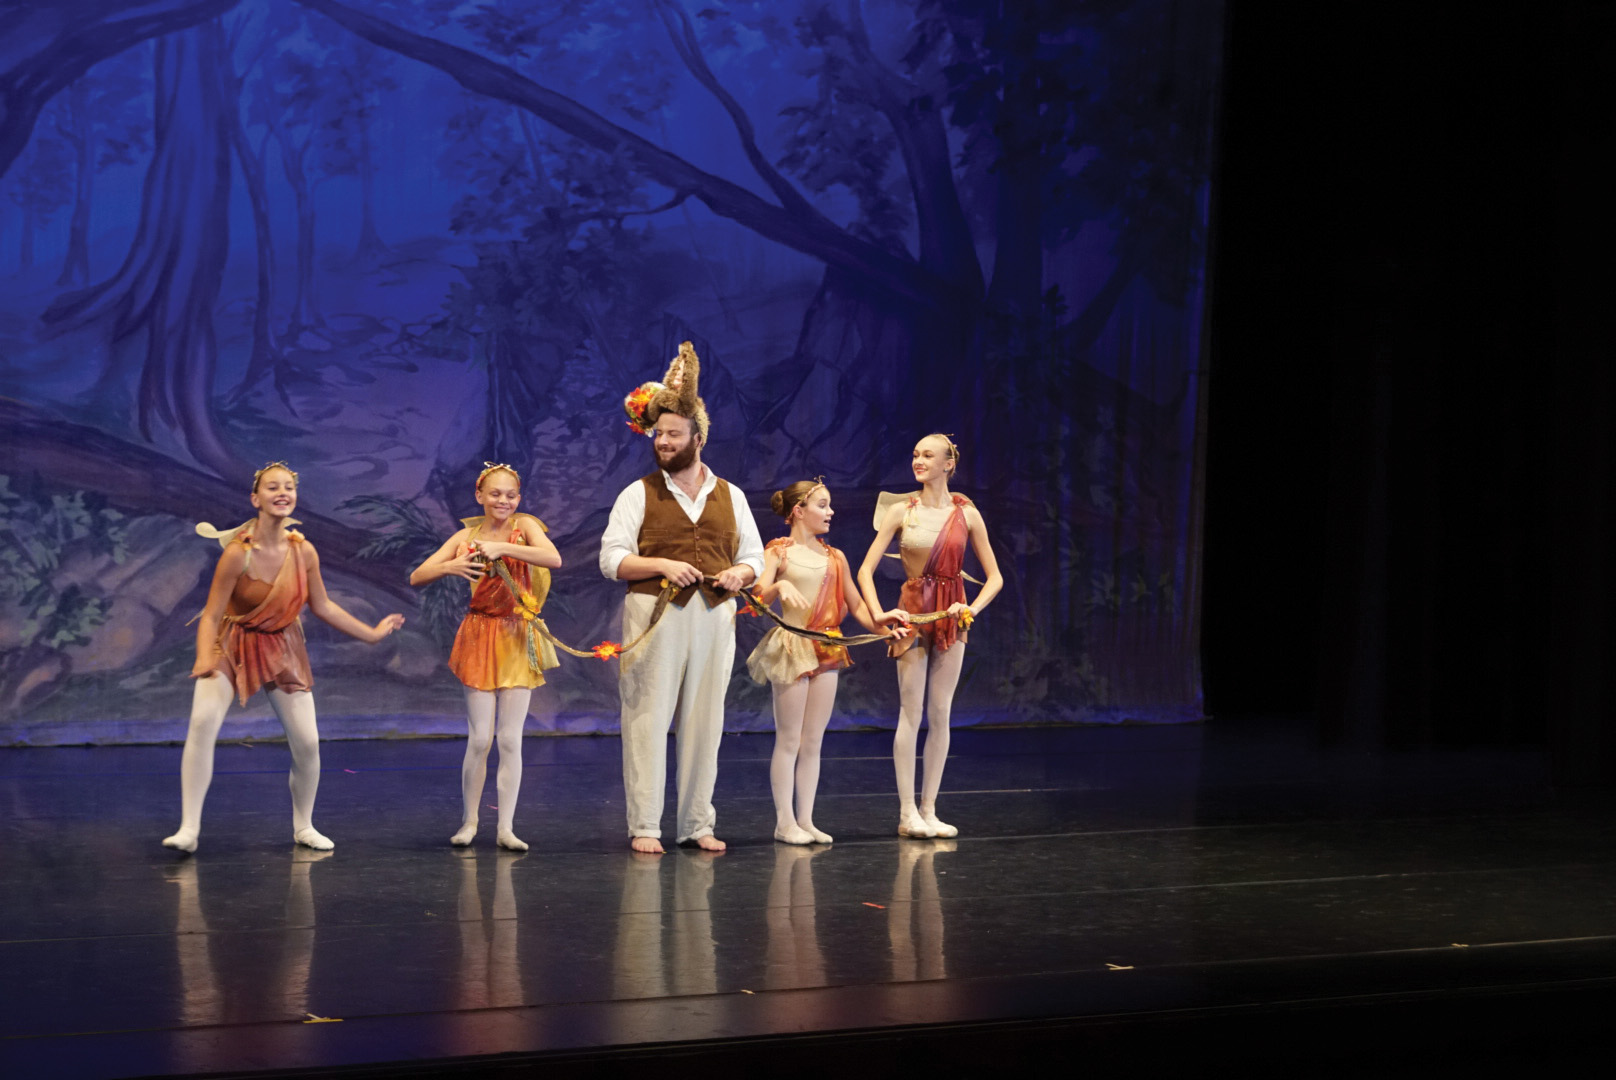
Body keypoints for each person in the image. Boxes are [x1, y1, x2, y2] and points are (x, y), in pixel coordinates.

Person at [163, 463, 405, 853]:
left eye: (288, 487)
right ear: (255, 499)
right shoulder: (237, 555)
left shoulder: (303, 551)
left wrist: (373, 634)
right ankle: (188, 829)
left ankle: (304, 826)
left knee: (308, 743)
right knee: (203, 721)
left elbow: (323, 606)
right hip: (234, 640)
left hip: (282, 644)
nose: (282, 492)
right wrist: (204, 658)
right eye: (272, 487)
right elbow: (210, 614)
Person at [600, 342, 764, 854]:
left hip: (714, 617)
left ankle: (697, 824)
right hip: (656, 615)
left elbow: (755, 557)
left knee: (705, 720)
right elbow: (611, 559)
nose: (663, 441)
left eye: (673, 434)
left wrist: (740, 573)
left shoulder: (730, 495)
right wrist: (660, 563)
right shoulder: (638, 493)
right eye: (658, 434)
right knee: (647, 716)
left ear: (698, 437)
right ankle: (645, 825)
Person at [410, 463, 562, 851]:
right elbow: (418, 575)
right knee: (480, 739)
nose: (503, 501)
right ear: (480, 496)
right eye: (495, 494)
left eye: (510, 494)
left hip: (515, 634)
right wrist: (451, 565)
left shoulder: (524, 527)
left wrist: (504, 548)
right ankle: (469, 821)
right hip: (479, 634)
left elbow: (553, 559)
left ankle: (506, 827)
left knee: (510, 739)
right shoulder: (467, 535)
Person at [858, 434, 1003, 839]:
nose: (918, 461)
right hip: (911, 614)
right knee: (911, 712)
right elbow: (865, 570)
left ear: (948, 464)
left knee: (940, 713)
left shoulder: (967, 514)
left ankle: (929, 809)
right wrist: (879, 614)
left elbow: (995, 578)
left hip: (952, 614)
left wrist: (970, 608)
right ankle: (907, 813)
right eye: (915, 455)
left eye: (927, 455)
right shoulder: (903, 510)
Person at [747, 480, 895, 844]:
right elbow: (756, 597)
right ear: (799, 511)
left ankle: (806, 819)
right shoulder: (779, 552)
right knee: (789, 739)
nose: (831, 512)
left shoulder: (835, 557)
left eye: (830, 506)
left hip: (826, 647)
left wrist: (884, 622)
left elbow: (857, 606)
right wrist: (779, 587)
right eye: (823, 505)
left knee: (813, 741)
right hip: (794, 646)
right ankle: (784, 823)